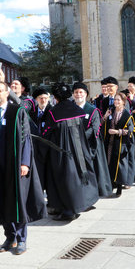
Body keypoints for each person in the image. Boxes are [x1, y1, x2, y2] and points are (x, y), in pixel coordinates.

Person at [0, 81, 46, 255]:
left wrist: (25, 163)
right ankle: (10, 237)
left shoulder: (18, 112)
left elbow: (26, 139)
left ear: (7, 93)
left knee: (18, 201)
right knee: (1, 202)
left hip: (15, 164)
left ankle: (22, 239)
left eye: (0, 91)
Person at [42, 83, 99, 221]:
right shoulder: (76, 109)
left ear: (55, 97)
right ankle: (83, 204)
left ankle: (68, 210)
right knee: (80, 174)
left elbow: (46, 133)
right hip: (80, 149)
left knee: (65, 178)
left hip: (62, 151)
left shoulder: (53, 112)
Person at [72, 82, 112, 197]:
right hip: (74, 144)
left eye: (81, 92)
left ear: (86, 94)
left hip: (90, 144)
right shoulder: (70, 108)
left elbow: (94, 128)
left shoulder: (93, 110)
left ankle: (93, 191)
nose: (78, 94)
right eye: (76, 92)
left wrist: (80, 137)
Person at [103, 92, 135, 197]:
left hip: (121, 144)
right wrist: (105, 117)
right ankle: (111, 184)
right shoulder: (110, 112)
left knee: (120, 166)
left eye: (118, 100)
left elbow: (130, 130)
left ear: (123, 102)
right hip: (109, 143)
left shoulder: (127, 115)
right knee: (109, 163)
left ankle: (119, 187)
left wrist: (118, 132)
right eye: (115, 100)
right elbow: (101, 123)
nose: (116, 102)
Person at [29, 88, 52, 189]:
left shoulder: (52, 112)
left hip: (48, 147)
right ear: (36, 100)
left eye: (45, 98)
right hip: (35, 146)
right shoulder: (31, 113)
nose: (43, 100)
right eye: (41, 98)